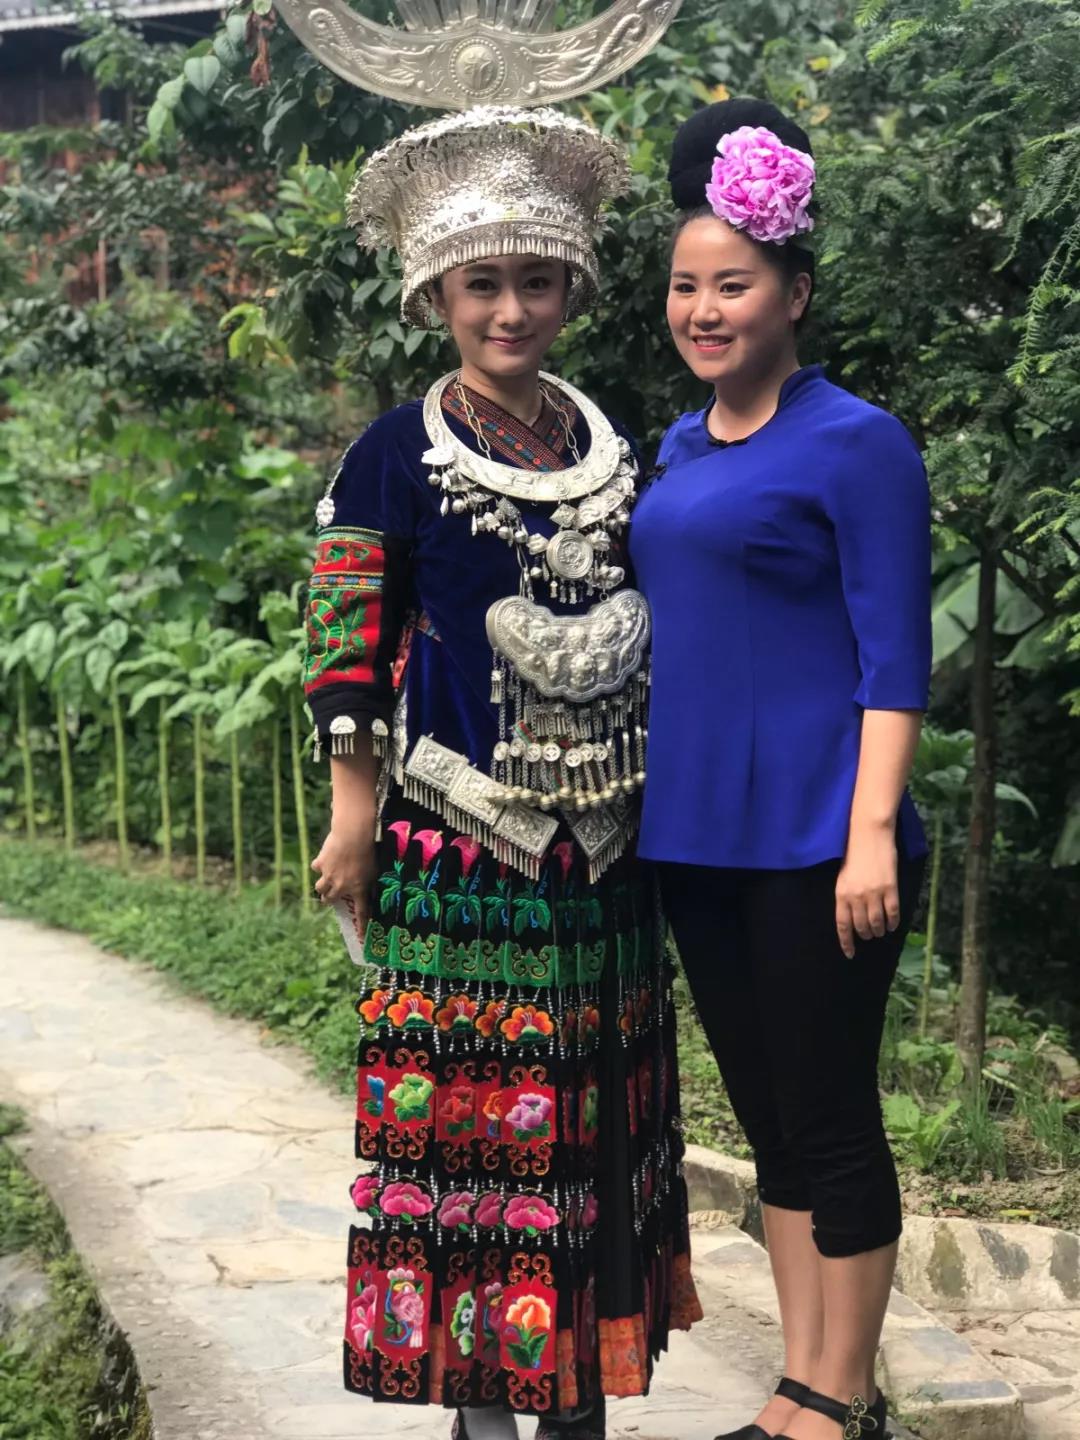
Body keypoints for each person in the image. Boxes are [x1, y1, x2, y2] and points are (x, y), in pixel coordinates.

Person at [301, 106, 701, 1440]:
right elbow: (347, 646)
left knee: (589, 1135)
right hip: (459, 849)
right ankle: (481, 1410)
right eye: (483, 285)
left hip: (609, 859)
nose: (511, 310)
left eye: (536, 281)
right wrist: (354, 816)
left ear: (573, 287)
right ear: (437, 296)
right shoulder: (390, 454)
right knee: (472, 1138)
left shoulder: (616, 444)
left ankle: (578, 1401)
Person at [630, 99, 932, 1440]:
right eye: (685, 286)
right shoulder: (679, 448)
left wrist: (872, 833)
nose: (704, 310)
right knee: (770, 1125)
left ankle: (841, 1396)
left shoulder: (857, 440)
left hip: (820, 834)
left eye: (733, 284)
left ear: (794, 294)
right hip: (697, 836)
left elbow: (896, 657)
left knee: (831, 1113)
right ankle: (803, 1386)